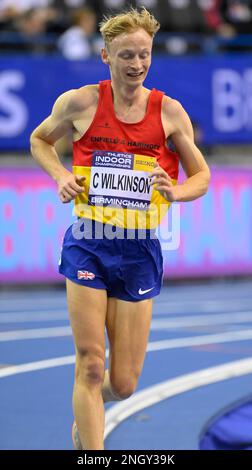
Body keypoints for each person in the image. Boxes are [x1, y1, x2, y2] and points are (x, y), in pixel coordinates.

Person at [30, 7, 210, 450]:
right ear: (105, 56)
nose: (136, 64)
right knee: (90, 364)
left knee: (124, 382)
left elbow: (201, 176)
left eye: (144, 55)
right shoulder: (80, 102)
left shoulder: (169, 112)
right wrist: (60, 176)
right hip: (89, 243)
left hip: (139, 250)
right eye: (126, 55)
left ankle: (90, 409)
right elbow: (40, 140)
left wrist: (175, 192)